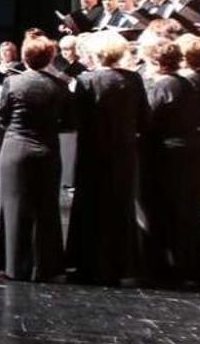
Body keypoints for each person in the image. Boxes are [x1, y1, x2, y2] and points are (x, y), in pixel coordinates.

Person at [65, 31, 148, 284]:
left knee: (91, 205)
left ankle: (87, 262)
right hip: (123, 151)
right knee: (120, 206)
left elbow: (75, 119)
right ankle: (122, 265)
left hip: (93, 151)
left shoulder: (86, 80)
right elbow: (144, 118)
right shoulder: (134, 80)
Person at [0, 37, 72, 281]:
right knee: (46, 208)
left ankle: (13, 266)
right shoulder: (59, 86)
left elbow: (3, 117)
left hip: (15, 149)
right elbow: (68, 122)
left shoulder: (12, 82)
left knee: (12, 207)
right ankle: (46, 266)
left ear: (24, 58)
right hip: (47, 150)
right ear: (50, 59)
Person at [137, 39, 200, 285]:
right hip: (184, 151)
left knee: (160, 208)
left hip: (164, 154)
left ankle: (161, 266)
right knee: (178, 208)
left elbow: (148, 119)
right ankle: (179, 265)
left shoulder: (164, 86)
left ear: (156, 61)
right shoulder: (185, 82)